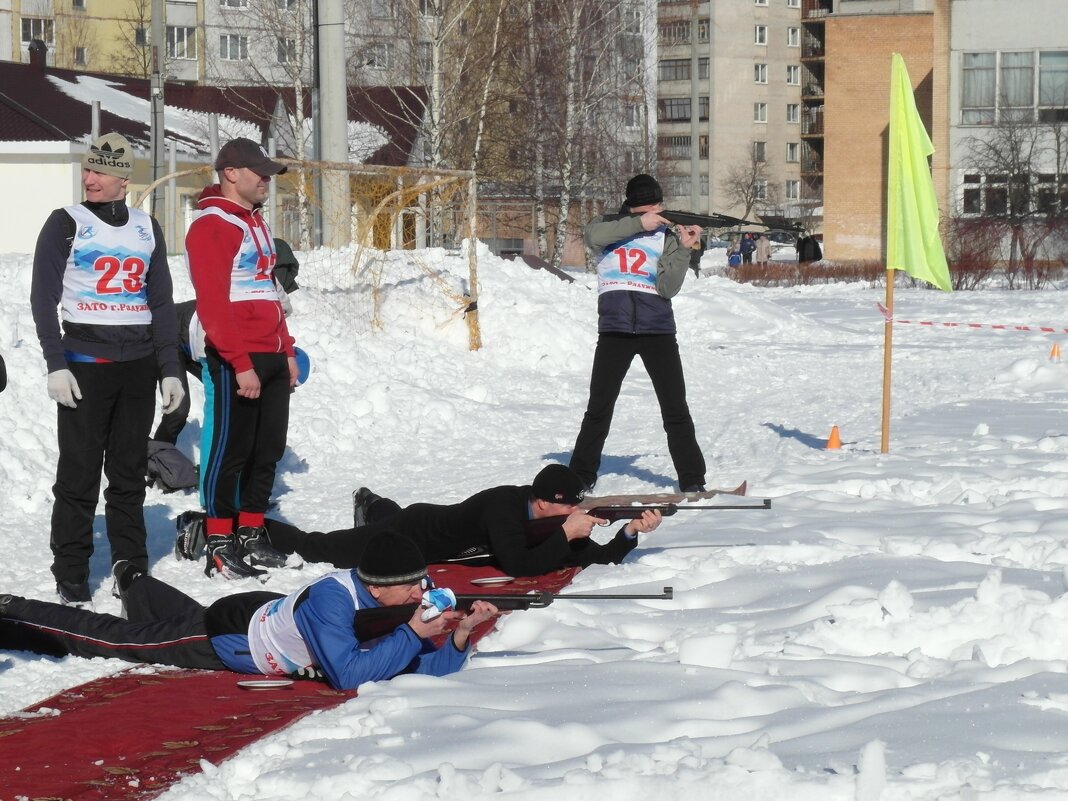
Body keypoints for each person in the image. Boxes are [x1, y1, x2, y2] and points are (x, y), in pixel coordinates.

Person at [0, 533, 499, 691]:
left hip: (264, 614)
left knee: (161, 620)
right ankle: (15, 612)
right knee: (117, 638)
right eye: (412, 587)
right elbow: (348, 676)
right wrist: (414, 632)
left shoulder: (400, 601)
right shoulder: (333, 600)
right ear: (377, 586)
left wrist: (459, 638)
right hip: (229, 635)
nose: (422, 594)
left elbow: (412, 665)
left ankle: (137, 583)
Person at [30, 132, 183, 607]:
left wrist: (170, 368)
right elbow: (42, 297)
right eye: (88, 170)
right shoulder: (65, 223)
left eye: (101, 172)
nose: (90, 179)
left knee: (128, 472)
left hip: (136, 367)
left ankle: (130, 565)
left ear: (124, 179)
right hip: (86, 363)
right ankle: (71, 568)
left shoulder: (145, 226)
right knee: (78, 472)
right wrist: (56, 363)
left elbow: (160, 303)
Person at [176, 464, 664, 579]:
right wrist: (565, 534)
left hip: (429, 526)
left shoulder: (544, 518)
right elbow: (519, 564)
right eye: (569, 507)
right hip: (409, 536)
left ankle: (372, 502)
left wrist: (627, 533)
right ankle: (216, 523)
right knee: (318, 547)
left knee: (398, 516)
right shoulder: (503, 507)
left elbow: (594, 557)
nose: (576, 513)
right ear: (543, 504)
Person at [185, 138, 297, 580]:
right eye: (259, 173)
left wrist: (286, 349)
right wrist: (240, 361)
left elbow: (272, 292)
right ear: (231, 173)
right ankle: (218, 538)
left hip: (269, 352)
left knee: (266, 449)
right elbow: (212, 304)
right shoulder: (212, 225)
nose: (266, 180)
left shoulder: (254, 221)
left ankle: (250, 530)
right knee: (229, 451)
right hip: (238, 355)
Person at [568, 173, 707, 494]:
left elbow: (667, 288)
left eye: (657, 208)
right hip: (614, 330)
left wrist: (685, 249)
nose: (656, 213)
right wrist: (639, 224)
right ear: (633, 208)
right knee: (598, 409)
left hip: (657, 330)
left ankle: (692, 478)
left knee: (675, 408)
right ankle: (580, 477)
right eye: (648, 209)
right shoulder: (607, 227)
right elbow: (591, 237)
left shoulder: (668, 237)